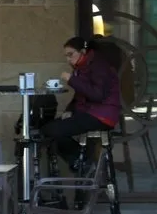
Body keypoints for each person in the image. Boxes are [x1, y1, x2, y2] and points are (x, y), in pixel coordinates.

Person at [41, 36, 122, 173]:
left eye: (70, 54)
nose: (68, 59)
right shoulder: (82, 66)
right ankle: (81, 160)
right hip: (89, 113)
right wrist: (69, 110)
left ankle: (82, 160)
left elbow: (97, 95)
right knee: (47, 129)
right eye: (66, 56)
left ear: (83, 51)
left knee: (51, 131)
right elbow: (80, 94)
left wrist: (72, 80)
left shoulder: (99, 66)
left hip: (101, 115)